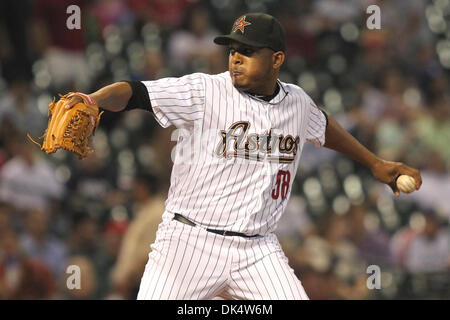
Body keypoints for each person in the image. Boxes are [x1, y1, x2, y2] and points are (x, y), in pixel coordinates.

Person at [63, 13, 422, 300]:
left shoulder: (296, 102)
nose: (236, 58)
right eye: (233, 49)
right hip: (190, 241)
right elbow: (137, 92)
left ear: (277, 58)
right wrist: (94, 100)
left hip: (258, 249)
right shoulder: (205, 90)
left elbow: (322, 125)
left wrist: (375, 162)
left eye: (248, 51)